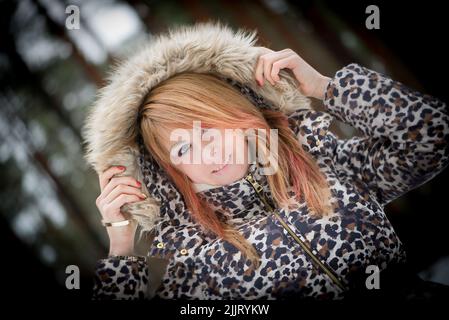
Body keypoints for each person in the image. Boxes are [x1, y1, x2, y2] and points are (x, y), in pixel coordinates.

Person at [82, 21, 449, 300]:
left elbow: (434, 137)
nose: (206, 154)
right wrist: (121, 246)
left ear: (237, 113)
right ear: (170, 171)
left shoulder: (326, 166)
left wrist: (325, 87)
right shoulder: (195, 261)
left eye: (207, 130)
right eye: (182, 149)